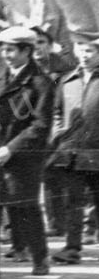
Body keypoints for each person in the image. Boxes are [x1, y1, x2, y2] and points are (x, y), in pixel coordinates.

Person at [0, 26, 55, 279]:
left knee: (26, 207)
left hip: (23, 155)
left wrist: (11, 148)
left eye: (11, 50)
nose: (5, 55)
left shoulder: (41, 83)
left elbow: (40, 125)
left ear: (27, 51)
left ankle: (40, 258)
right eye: (2, 49)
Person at [45, 33, 99, 264]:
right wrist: (59, 133)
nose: (85, 56)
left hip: (96, 150)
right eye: (81, 49)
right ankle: (72, 248)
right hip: (71, 152)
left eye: (90, 51)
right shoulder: (68, 81)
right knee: (73, 201)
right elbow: (57, 111)